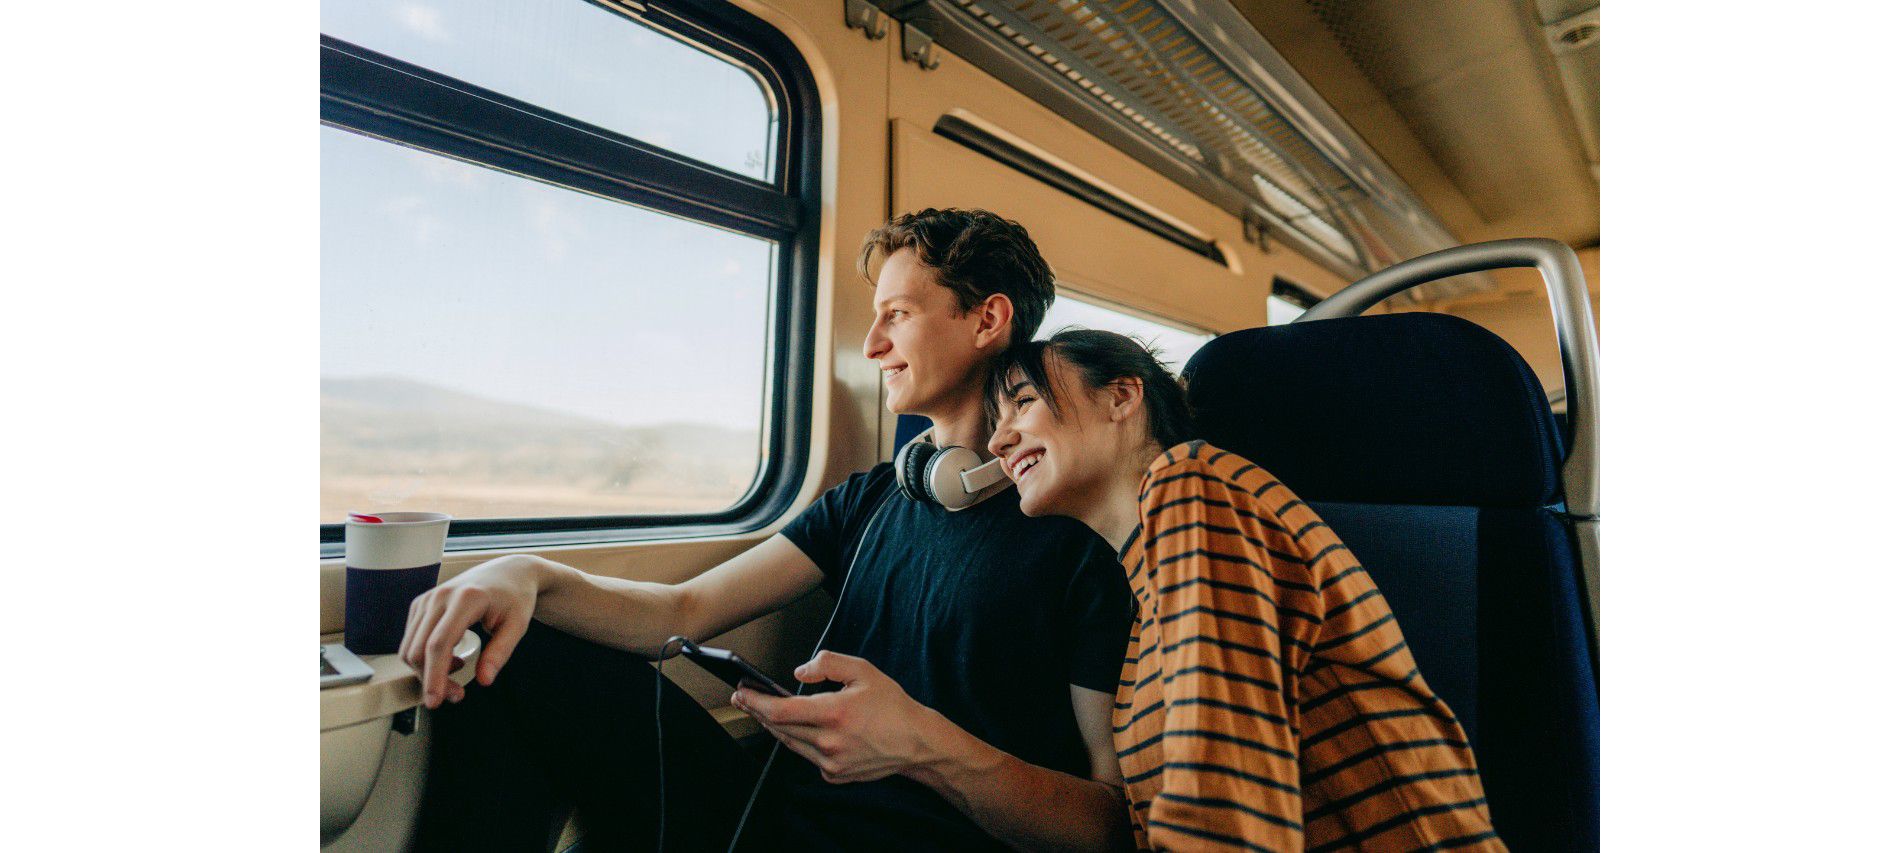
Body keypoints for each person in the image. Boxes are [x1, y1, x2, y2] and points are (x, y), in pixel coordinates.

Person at [400, 209, 1137, 852]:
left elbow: (1112, 824)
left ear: (987, 319)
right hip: (772, 822)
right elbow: (680, 613)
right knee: (515, 649)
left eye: (899, 315)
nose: (874, 342)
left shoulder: (1076, 535)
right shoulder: (872, 499)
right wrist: (527, 573)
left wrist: (922, 745)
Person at [986, 330, 1505, 852]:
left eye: (1024, 402)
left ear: (1122, 396)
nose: (997, 441)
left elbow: (1224, 794)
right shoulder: (1144, 585)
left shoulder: (1191, 487)